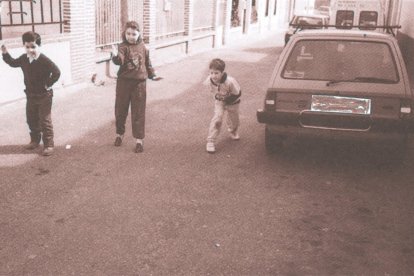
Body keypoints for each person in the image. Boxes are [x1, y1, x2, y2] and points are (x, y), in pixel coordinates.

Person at [1, 31, 61, 156]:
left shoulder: (44, 60)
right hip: (31, 95)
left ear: (39, 46)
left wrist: (48, 84)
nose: (30, 50)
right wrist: (5, 54)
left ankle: (49, 145)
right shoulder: (24, 59)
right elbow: (13, 63)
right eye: (27, 47)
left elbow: (56, 72)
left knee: (45, 120)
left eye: (33, 47)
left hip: (45, 95)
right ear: (24, 46)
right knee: (31, 118)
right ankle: (35, 140)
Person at [111, 20, 160, 153]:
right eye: (128, 34)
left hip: (139, 84)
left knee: (138, 112)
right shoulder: (122, 47)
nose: (131, 36)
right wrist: (115, 55)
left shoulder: (143, 47)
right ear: (124, 34)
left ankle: (139, 140)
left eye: (134, 34)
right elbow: (119, 60)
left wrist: (153, 75)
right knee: (120, 111)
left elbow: (147, 63)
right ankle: (119, 134)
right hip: (124, 83)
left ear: (139, 34)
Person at [204, 58, 241, 153]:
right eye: (211, 73)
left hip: (233, 102)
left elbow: (237, 93)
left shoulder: (230, 81)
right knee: (217, 118)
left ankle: (233, 130)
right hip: (220, 102)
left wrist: (227, 100)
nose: (213, 76)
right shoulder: (209, 80)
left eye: (216, 73)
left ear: (222, 72)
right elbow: (212, 91)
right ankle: (211, 141)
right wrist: (219, 99)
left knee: (234, 121)